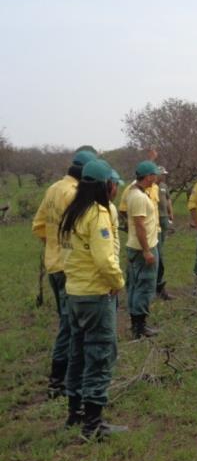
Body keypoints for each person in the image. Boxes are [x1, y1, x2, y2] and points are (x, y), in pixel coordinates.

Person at [58, 158, 128, 439]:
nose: (114, 188)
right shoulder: (98, 214)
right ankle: (93, 426)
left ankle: (74, 414)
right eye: (111, 183)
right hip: (95, 295)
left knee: (78, 355)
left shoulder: (73, 212)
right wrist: (118, 282)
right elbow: (104, 259)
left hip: (74, 294)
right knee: (99, 356)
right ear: (104, 185)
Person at [32, 149, 97, 398]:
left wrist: (53, 246)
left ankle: (64, 377)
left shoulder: (53, 189)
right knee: (69, 326)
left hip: (54, 265)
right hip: (69, 267)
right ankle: (59, 381)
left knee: (67, 322)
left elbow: (38, 226)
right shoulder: (73, 194)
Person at [126, 161, 161, 339]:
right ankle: (140, 327)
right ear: (148, 177)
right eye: (154, 174)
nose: (156, 177)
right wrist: (147, 250)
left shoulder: (134, 191)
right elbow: (140, 225)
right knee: (145, 286)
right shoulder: (139, 197)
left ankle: (136, 324)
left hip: (135, 247)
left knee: (134, 285)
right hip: (142, 248)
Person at [155, 167, 174, 300]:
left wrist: (170, 213)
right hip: (154, 219)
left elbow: (168, 200)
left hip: (164, 218)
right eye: (162, 174)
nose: (164, 176)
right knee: (157, 250)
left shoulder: (164, 186)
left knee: (162, 243)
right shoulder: (151, 186)